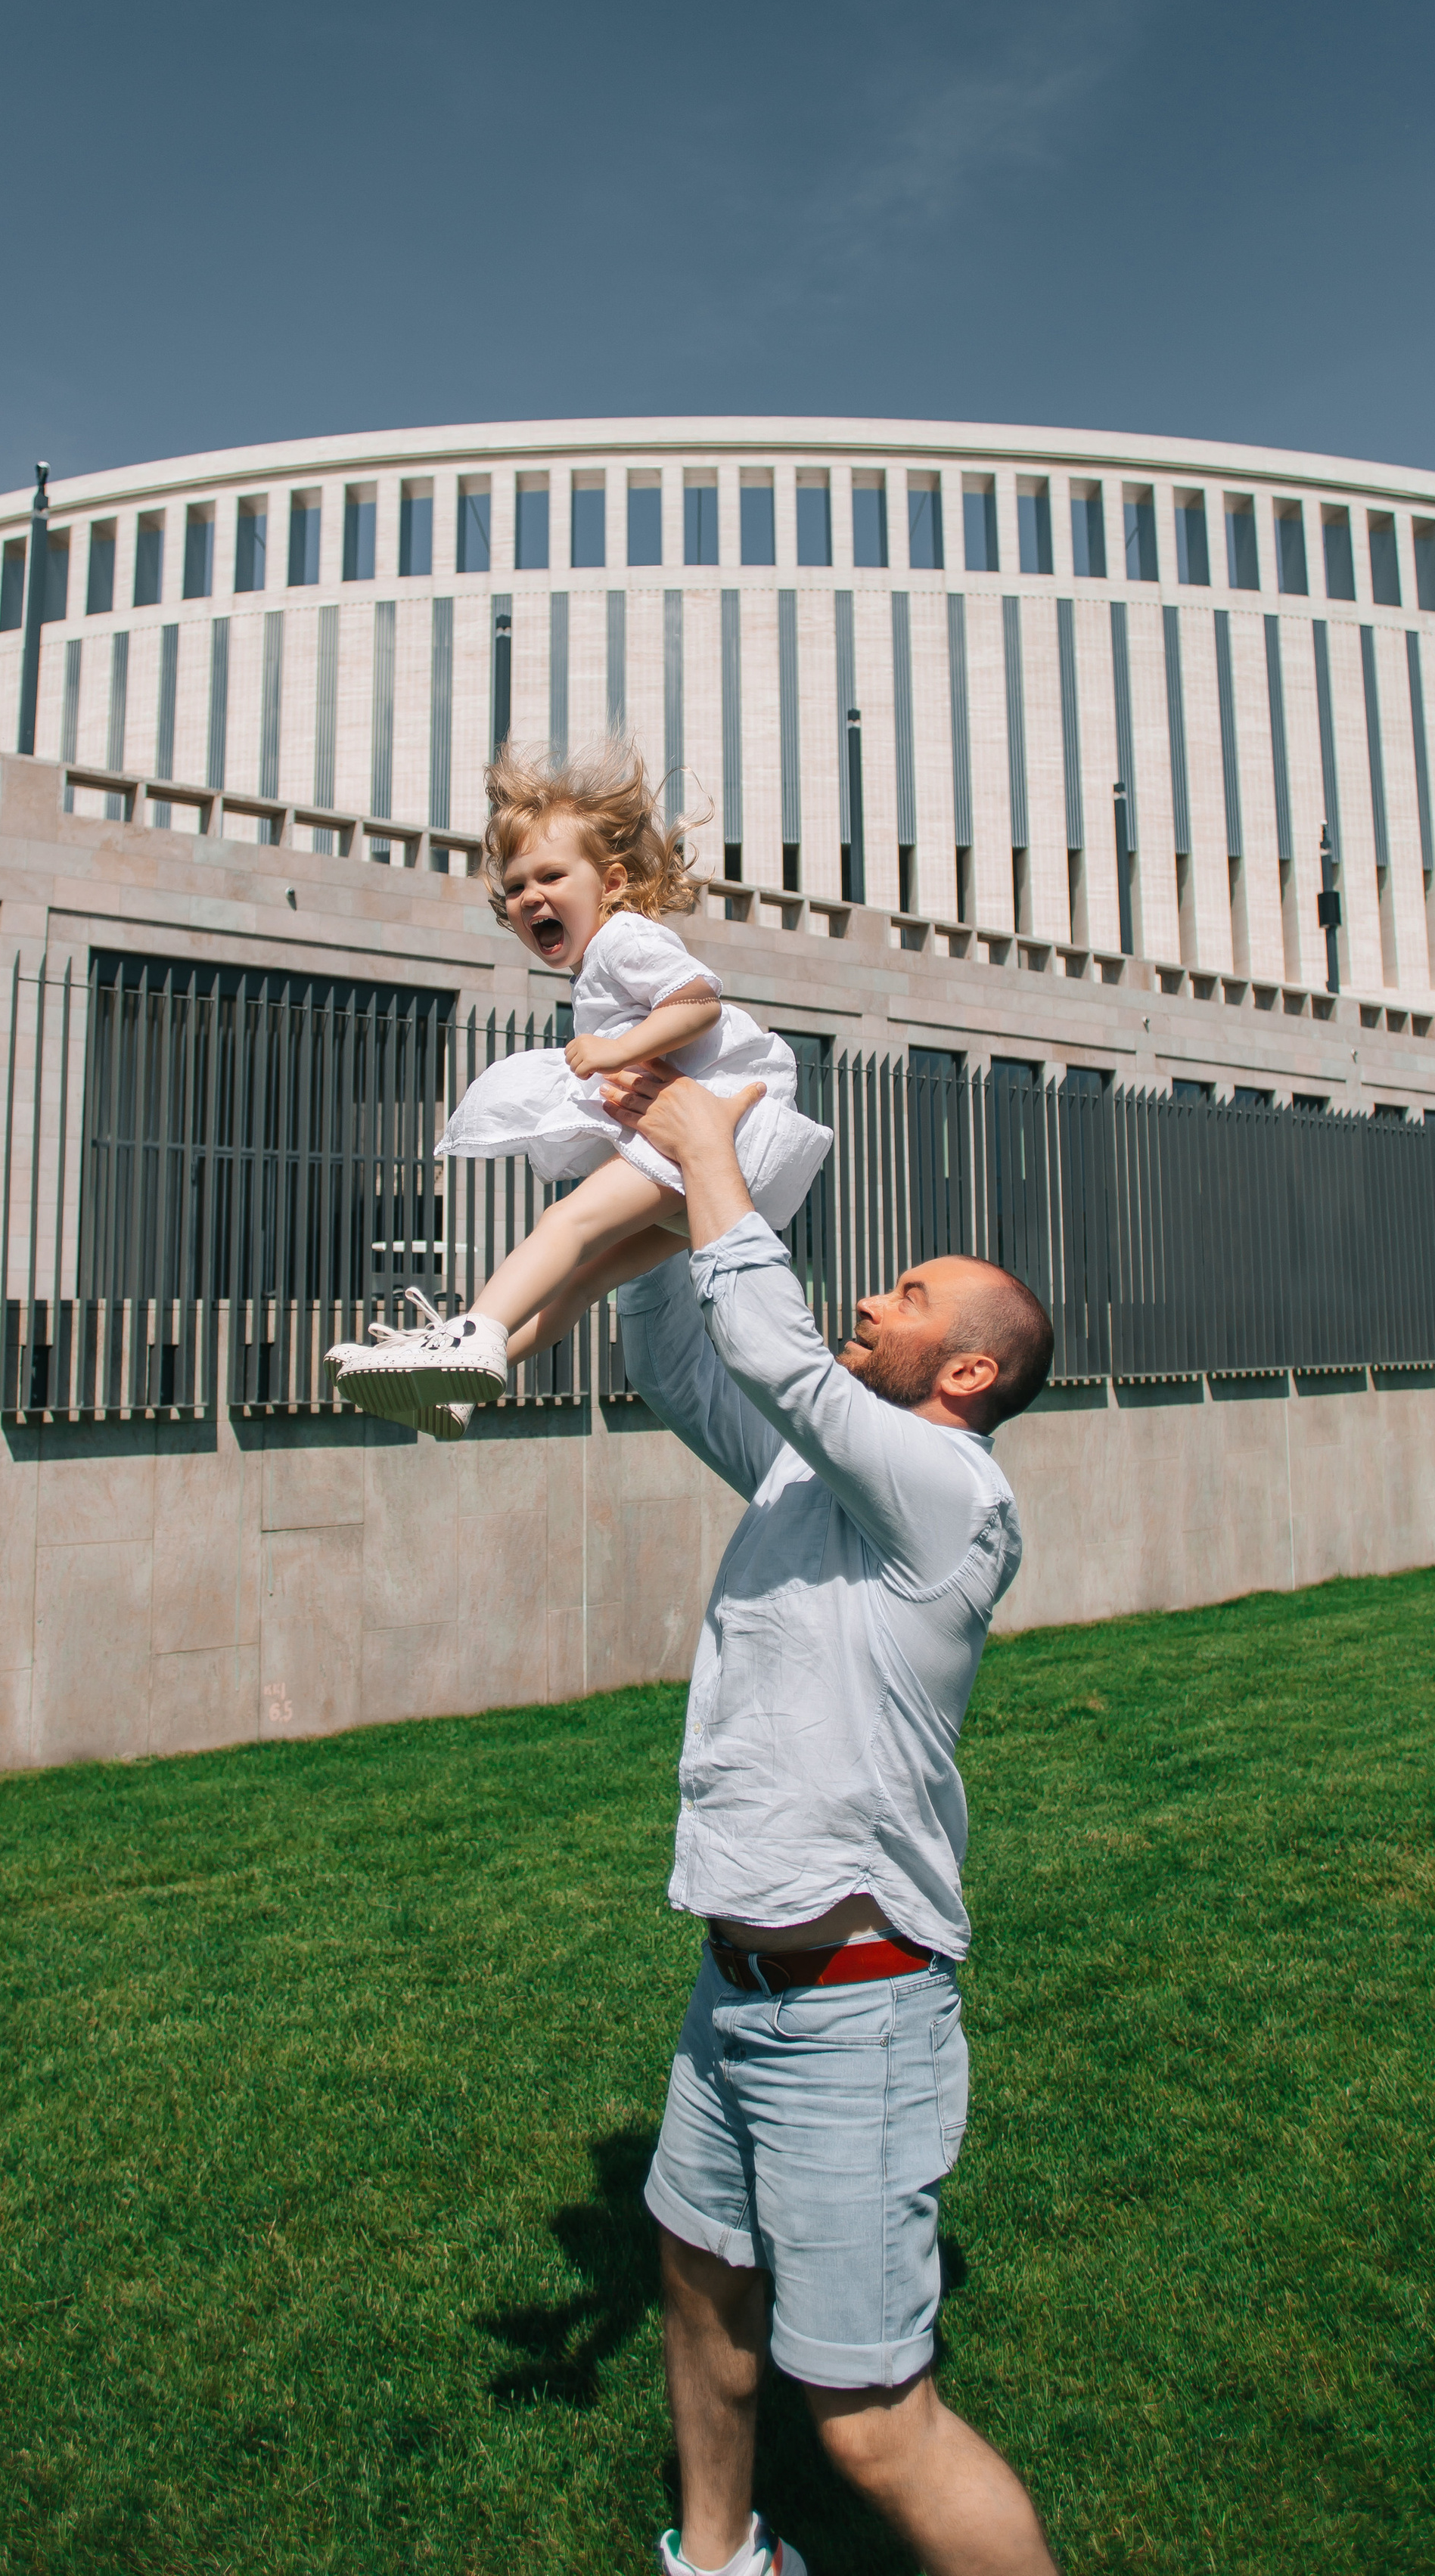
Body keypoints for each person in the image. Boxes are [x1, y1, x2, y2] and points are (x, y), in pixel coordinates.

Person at [596, 1056, 1061, 2576]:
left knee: (868, 2421)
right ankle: (722, 2563)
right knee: (701, 2291)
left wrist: (714, 1144)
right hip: (731, 1992)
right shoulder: (816, 1477)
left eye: (910, 1294)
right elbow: (683, 1357)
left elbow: (776, 1351)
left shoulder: (946, 1496)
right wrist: (657, 1185)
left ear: (968, 1371)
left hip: (853, 2017)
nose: (876, 1296)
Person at [326, 744, 830, 1435]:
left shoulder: (624, 936)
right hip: (736, 1171)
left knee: (564, 1225)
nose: (531, 896)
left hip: (721, 1137)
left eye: (552, 875)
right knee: (583, 1278)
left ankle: (471, 1333)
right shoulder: (597, 960)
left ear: (613, 882)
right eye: (515, 887)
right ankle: (459, 1384)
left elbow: (699, 1000)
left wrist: (615, 1049)